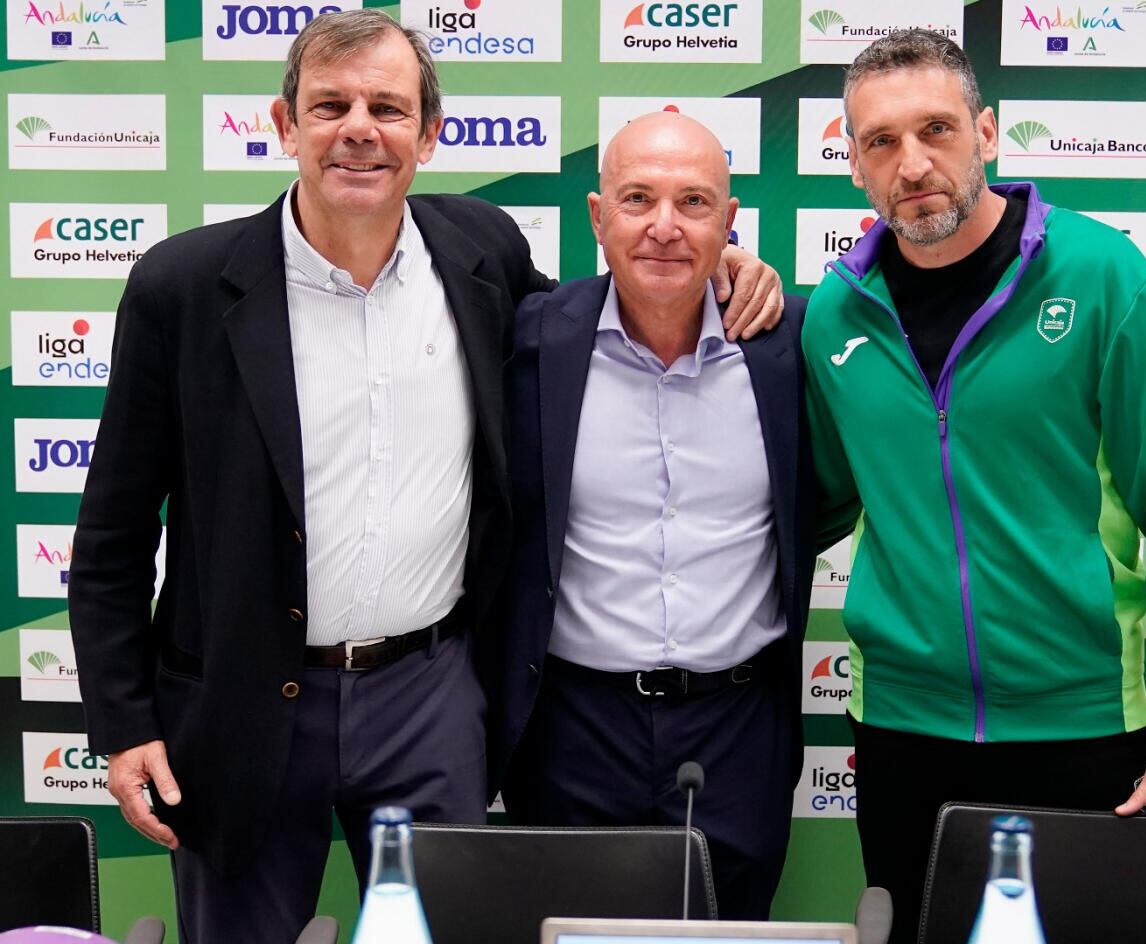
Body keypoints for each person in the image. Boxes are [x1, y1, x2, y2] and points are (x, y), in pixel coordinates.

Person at [66, 11, 781, 943]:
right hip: (239, 700)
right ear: (285, 125)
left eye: (388, 108)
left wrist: (717, 263)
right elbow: (114, 534)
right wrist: (124, 725)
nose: (359, 127)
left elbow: (620, 301)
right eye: (331, 105)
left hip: (429, 696)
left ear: (429, 135)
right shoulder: (184, 287)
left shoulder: (482, 255)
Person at [802, 30, 1146, 940]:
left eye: (937, 129)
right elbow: (814, 499)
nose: (913, 162)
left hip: (1085, 724)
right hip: (902, 731)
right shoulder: (835, 316)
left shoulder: (1099, 276)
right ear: (852, 163)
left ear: (989, 132)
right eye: (880, 141)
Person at [500, 112, 813, 920]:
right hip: (572, 728)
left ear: (731, 220)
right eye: (638, 199)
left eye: (695, 203)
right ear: (598, 216)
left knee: (731, 935)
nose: (665, 228)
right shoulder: (528, 339)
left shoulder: (792, 344)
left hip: (740, 729)